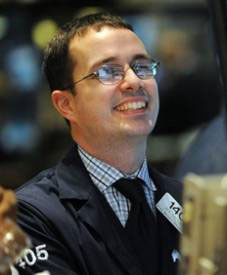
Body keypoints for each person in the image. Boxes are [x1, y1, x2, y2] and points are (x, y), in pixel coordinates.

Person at [14, 13, 182, 275]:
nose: (135, 81)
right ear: (66, 104)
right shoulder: (31, 216)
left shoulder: (186, 201)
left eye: (142, 66)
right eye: (108, 71)